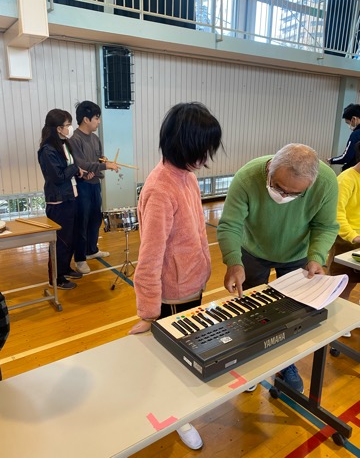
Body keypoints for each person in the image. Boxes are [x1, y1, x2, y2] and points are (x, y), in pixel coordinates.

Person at [129, 102, 223, 450]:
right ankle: (177, 418)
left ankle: (179, 407)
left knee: (187, 349)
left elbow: (194, 230)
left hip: (191, 284)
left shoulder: (187, 175)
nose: (205, 158)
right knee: (173, 360)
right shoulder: (159, 189)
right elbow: (149, 258)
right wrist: (149, 311)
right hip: (170, 294)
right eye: (202, 150)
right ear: (184, 146)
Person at [217, 143, 339, 393]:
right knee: (249, 311)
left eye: (293, 194)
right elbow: (230, 224)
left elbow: (325, 226)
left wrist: (316, 257)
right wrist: (233, 261)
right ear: (270, 168)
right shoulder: (247, 176)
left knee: (291, 314)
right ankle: (250, 362)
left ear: (310, 184)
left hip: (297, 255)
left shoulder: (326, 183)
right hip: (253, 251)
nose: (283, 196)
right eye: (277, 187)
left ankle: (287, 364)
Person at [38, 109, 91, 289]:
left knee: (71, 237)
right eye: (68, 125)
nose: (70, 128)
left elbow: (69, 169)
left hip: (71, 197)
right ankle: (56, 278)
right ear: (59, 128)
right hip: (58, 202)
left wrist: (79, 172)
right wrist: (75, 168)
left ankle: (65, 268)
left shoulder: (65, 144)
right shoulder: (47, 150)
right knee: (60, 241)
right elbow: (58, 177)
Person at [69, 101, 119, 275]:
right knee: (81, 222)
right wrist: (105, 167)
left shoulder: (95, 138)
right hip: (82, 185)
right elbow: (80, 164)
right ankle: (80, 258)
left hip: (94, 183)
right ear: (85, 119)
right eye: (96, 118)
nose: (98, 122)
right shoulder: (74, 140)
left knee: (95, 219)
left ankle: (91, 249)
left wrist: (103, 161)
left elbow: (96, 159)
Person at [327, 142, 360, 337]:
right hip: (346, 240)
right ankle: (337, 322)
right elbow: (337, 213)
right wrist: (353, 236)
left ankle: (353, 316)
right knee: (344, 283)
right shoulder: (346, 179)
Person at [328, 103, 360, 171]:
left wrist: (332, 160)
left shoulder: (356, 134)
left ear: (354, 119)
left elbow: (347, 157)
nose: (349, 125)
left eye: (348, 123)